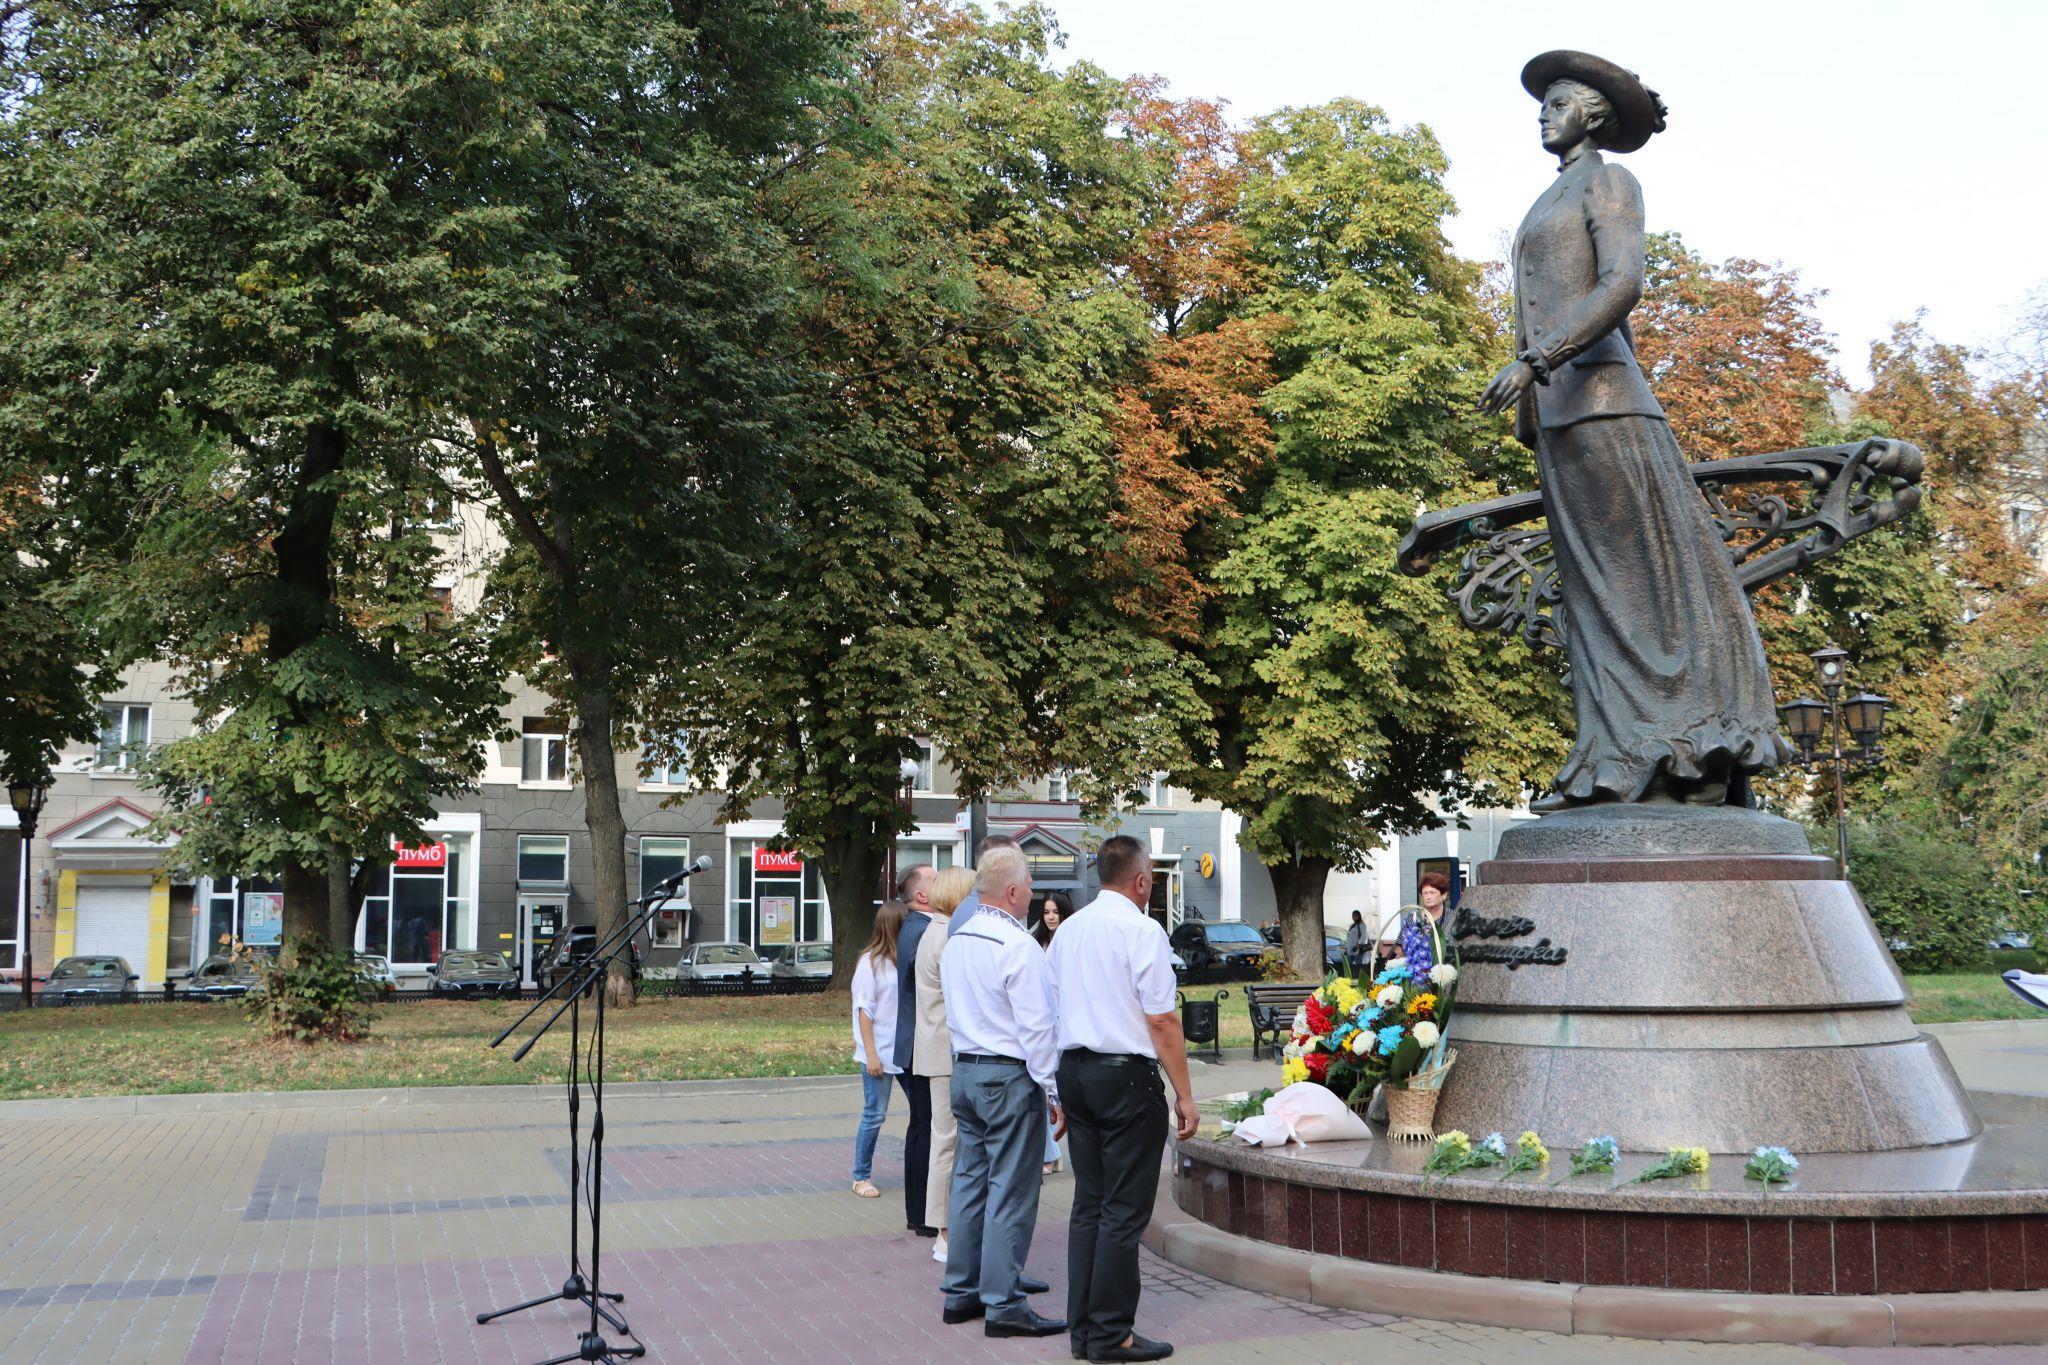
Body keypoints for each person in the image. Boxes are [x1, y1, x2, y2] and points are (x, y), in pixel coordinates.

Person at [1478, 51, 1786, 809]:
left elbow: (1623, 282)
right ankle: (1613, 752)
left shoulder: (1610, 180)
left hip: (1602, 400)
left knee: (1634, 586)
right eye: (1543, 103)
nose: (1542, 113)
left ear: (1595, 115)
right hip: (1562, 414)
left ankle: (1676, 747)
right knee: (1594, 594)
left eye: (1558, 102)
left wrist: (1538, 359)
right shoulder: (1556, 191)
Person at [1049, 834, 1199, 1363]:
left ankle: (1084, 1330)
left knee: (1089, 1203)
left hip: (1075, 1071)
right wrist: (1185, 1094)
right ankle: (1111, 1333)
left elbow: (1052, 1011)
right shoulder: (1142, 929)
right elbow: (1161, 1020)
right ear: (1140, 881)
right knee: (1123, 1210)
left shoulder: (1068, 932)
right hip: (1125, 1078)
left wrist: (1055, 1089)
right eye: (1151, 881)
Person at [938, 846, 1064, 1338]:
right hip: (1007, 1076)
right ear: (1012, 892)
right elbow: (1037, 1030)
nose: (1034, 892)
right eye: (1030, 884)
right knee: (1011, 1189)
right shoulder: (1018, 946)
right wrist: (1055, 1092)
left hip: (965, 1071)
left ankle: (963, 1289)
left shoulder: (960, 940)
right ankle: (1003, 1302)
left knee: (970, 1183)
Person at [916, 865, 975, 1264]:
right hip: (946, 1050)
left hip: (936, 1048)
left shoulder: (934, 930)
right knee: (947, 1142)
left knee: (945, 1139)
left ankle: (945, 1228)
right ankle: (945, 1231)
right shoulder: (948, 935)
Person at [889, 864, 940, 1237]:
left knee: (920, 1127)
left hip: (911, 1043)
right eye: (936, 880)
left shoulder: (914, 927)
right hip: (919, 1046)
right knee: (926, 1128)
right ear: (922, 896)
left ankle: (917, 1211)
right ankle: (922, 1213)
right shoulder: (922, 930)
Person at [849, 898, 907, 1200]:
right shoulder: (870, 963)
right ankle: (861, 1176)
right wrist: (871, 1053)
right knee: (874, 1114)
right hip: (880, 1052)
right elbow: (864, 1011)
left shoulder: (904, 960)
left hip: (906, 1051)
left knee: (925, 1114)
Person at [1032, 890, 1076, 1174]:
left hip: (1065, 1023)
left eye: (1055, 912)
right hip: (1043, 1021)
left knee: (1054, 1088)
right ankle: (1050, 1152)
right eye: (1046, 912)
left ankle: (1052, 1152)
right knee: (1044, 1087)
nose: (1050, 917)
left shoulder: (1070, 940)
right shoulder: (1036, 942)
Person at [948, 833, 1022, 936]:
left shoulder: (965, 909)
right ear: (996, 864)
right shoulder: (987, 914)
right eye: (1017, 862)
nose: (1023, 869)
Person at [1376, 871, 1453, 968]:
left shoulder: (1452, 917)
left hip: (1445, 970)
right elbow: (1400, 948)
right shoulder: (1414, 918)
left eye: (1432, 892)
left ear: (1444, 895)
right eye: (1425, 893)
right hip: (1417, 972)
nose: (1428, 897)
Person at [1343, 910, 1369, 975]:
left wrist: (1358, 944)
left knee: (1358, 965)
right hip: (1350, 948)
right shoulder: (1353, 925)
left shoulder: (1362, 925)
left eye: (1356, 916)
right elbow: (1349, 938)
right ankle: (1349, 977)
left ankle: (1359, 977)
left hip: (1357, 948)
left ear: (1359, 916)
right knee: (1348, 965)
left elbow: (1364, 936)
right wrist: (1347, 948)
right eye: (1353, 916)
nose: (1354, 918)